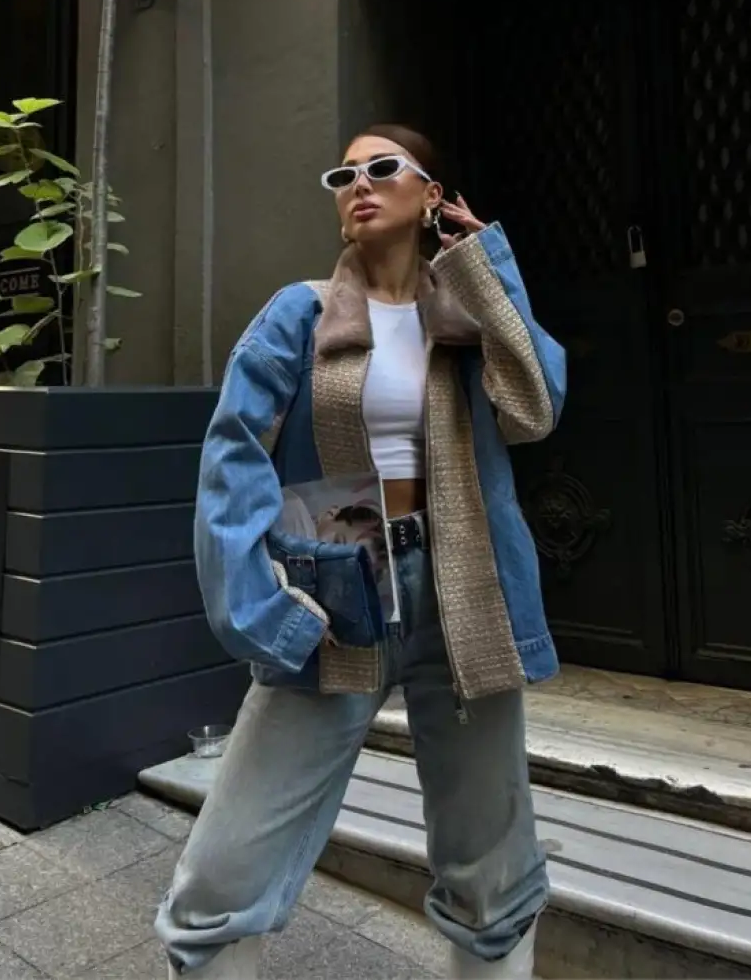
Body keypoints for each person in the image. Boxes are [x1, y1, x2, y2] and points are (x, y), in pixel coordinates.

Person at [156, 123, 567, 978]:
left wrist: (484, 265)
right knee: (233, 856)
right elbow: (233, 458)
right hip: (339, 595)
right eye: (343, 175)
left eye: (382, 168)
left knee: (492, 860)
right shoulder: (300, 313)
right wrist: (261, 607)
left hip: (462, 594)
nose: (359, 185)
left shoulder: (465, 315)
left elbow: (535, 407)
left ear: (431, 195)